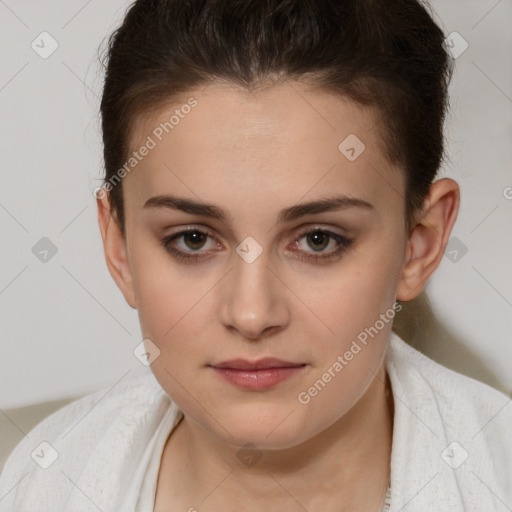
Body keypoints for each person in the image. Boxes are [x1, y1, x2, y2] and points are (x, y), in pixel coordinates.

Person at [0, 0, 510, 510]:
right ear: (120, 247)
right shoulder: (34, 485)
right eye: (193, 239)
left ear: (419, 245)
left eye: (318, 240)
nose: (251, 314)